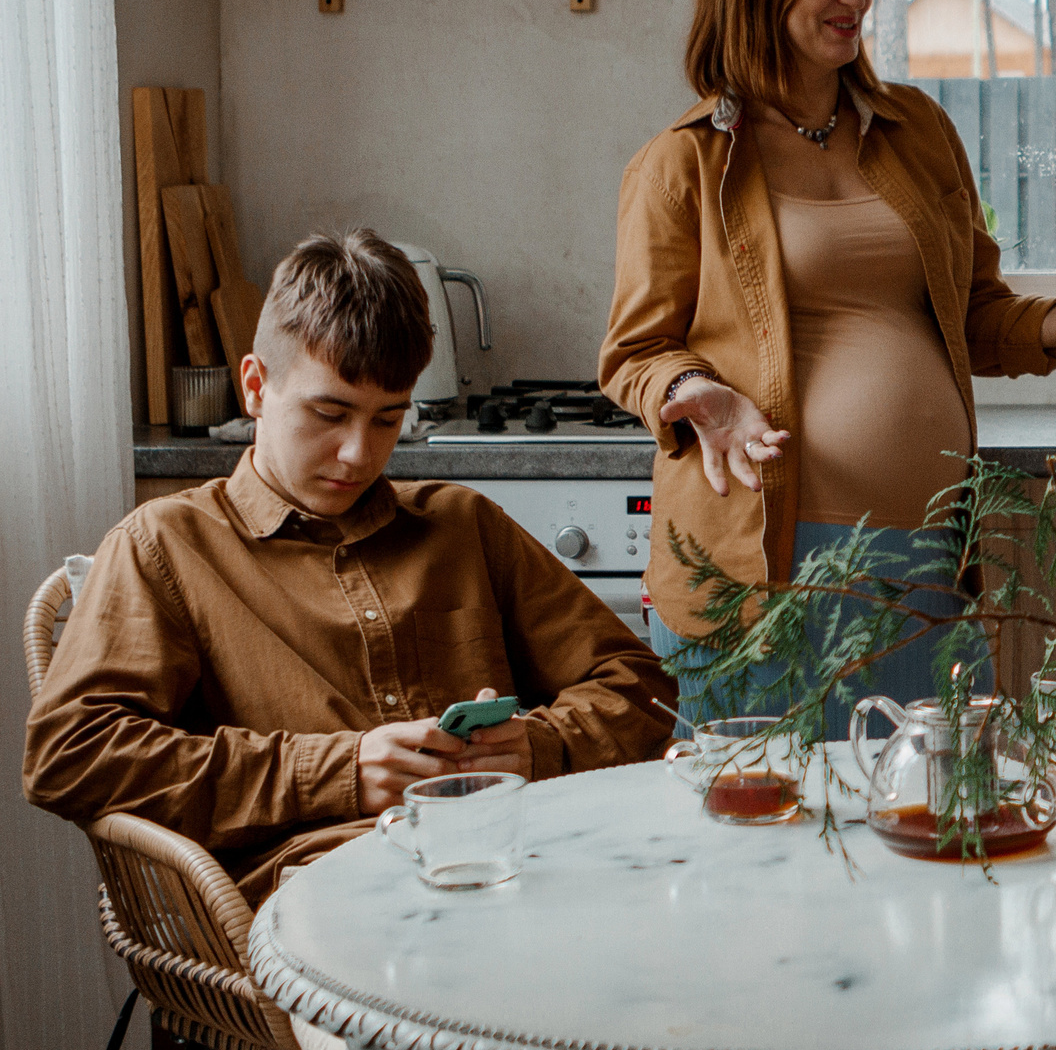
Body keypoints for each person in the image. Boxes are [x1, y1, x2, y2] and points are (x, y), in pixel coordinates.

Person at [600, 0, 1056, 718]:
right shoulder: (684, 162)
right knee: (774, 821)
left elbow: (975, 312)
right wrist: (699, 391)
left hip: (930, 552)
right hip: (770, 558)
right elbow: (635, 351)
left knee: (933, 811)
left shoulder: (915, 129)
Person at [23, 231, 673, 906]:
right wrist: (339, 771)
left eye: (389, 420)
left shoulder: (464, 525)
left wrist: (536, 747)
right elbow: (68, 752)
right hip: (322, 911)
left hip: (515, 874)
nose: (359, 453)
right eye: (328, 413)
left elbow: (641, 687)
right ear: (255, 386)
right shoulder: (167, 545)